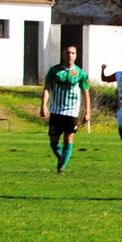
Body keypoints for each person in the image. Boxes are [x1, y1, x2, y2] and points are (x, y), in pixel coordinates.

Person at [41, 45, 91, 173]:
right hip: (56, 110)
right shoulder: (54, 71)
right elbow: (47, 88)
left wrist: (87, 112)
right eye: (67, 53)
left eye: (73, 53)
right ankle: (62, 158)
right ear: (63, 54)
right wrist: (43, 105)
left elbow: (85, 92)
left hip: (72, 111)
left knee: (68, 139)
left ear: (76, 55)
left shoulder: (81, 73)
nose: (70, 55)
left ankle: (61, 167)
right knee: (53, 142)